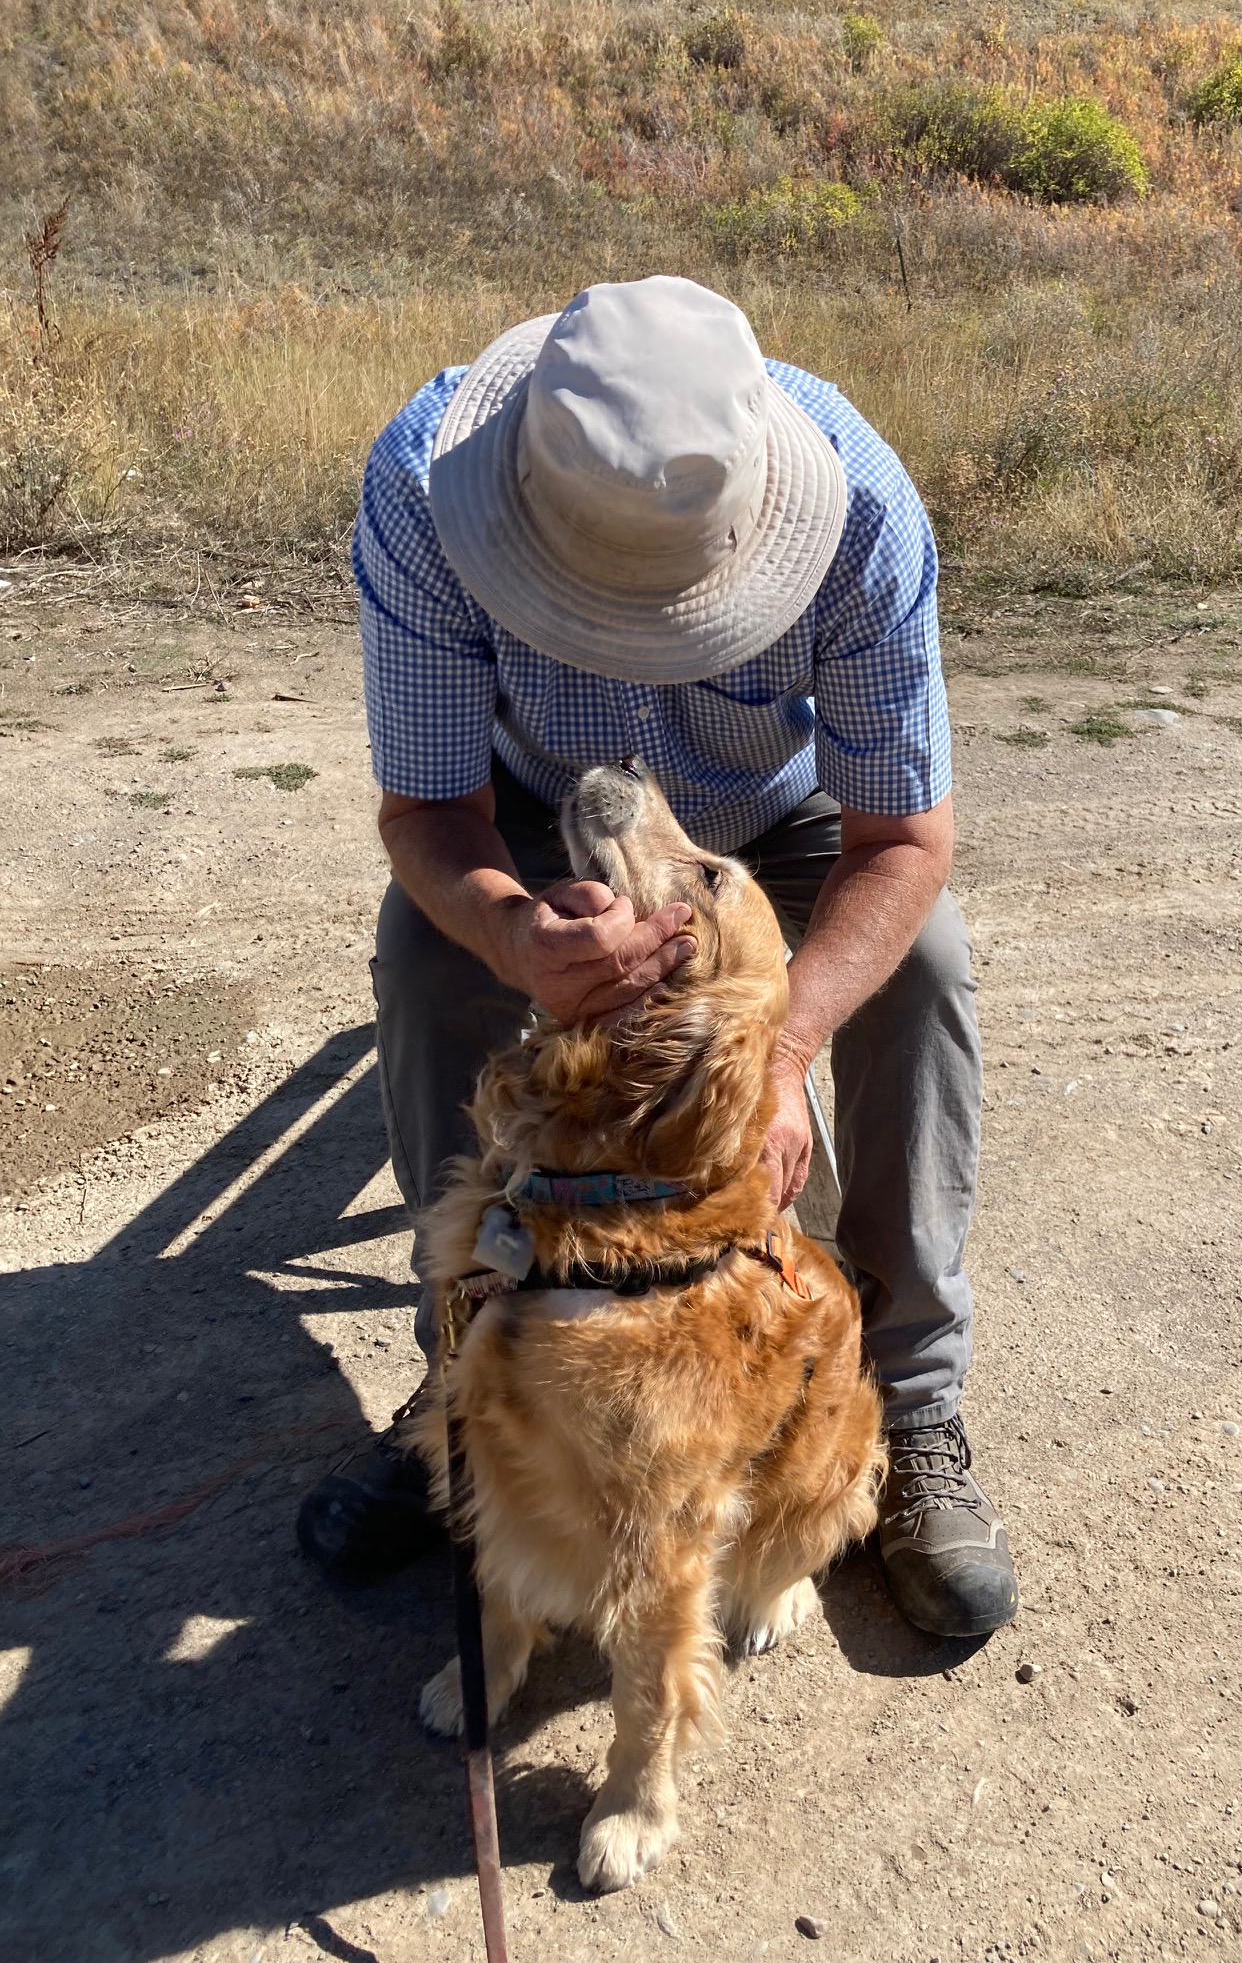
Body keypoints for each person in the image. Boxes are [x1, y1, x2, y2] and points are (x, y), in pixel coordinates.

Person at [296, 275, 1018, 1640]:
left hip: (780, 822)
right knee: (427, 963)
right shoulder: (423, 488)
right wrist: (512, 929)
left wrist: (778, 1052)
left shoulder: (864, 509)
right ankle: (465, 1369)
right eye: (579, 599)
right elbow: (429, 813)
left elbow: (903, 839)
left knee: (918, 967)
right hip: (531, 813)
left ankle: (910, 1400)